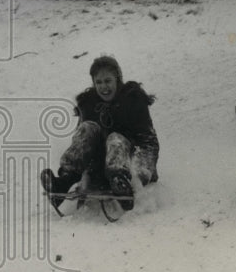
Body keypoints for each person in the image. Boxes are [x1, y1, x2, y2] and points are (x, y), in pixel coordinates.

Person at [41, 55, 159, 211]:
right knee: (87, 128)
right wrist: (85, 175)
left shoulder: (133, 100)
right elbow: (82, 141)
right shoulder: (88, 104)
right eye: (99, 82)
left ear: (117, 79)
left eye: (108, 81)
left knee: (115, 138)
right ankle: (64, 181)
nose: (104, 87)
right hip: (98, 167)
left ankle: (121, 184)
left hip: (129, 166)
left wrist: (140, 175)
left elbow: (148, 143)